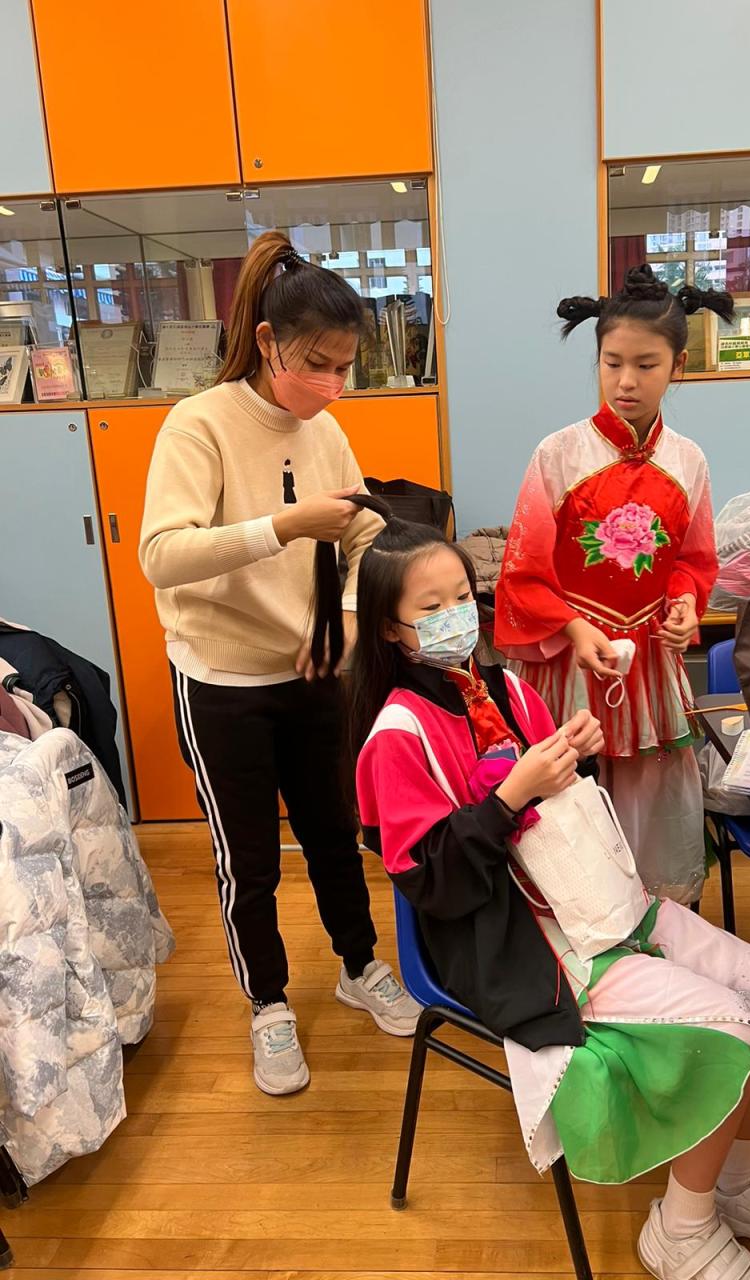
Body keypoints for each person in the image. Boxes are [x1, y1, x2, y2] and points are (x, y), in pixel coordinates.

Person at [351, 513, 750, 1280]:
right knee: (734, 1029)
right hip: (515, 939)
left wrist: (573, 756)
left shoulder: (509, 690)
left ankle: (738, 1182)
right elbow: (434, 884)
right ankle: (682, 1231)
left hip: (593, 901)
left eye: (462, 597)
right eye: (430, 607)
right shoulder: (397, 737)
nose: (455, 616)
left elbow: (562, 812)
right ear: (390, 627)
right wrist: (511, 795)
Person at [139, 231, 420, 1097]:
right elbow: (162, 555)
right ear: (267, 343)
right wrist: (283, 528)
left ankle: (359, 965)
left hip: (312, 675)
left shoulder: (325, 429)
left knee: (337, 832)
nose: (332, 385)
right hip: (222, 681)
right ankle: (267, 1005)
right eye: (317, 364)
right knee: (250, 859)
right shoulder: (200, 424)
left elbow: (368, 533)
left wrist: (344, 618)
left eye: (344, 367)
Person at [495, 264, 729, 905]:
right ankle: (576, 921)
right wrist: (575, 628)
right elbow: (522, 573)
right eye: (612, 362)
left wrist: (685, 603)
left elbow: (693, 560)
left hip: (648, 660)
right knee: (567, 793)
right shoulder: (558, 454)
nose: (627, 381)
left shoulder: (689, 460)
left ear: (678, 366)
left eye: (647, 365)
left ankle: (658, 917)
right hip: (571, 658)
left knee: (653, 794)